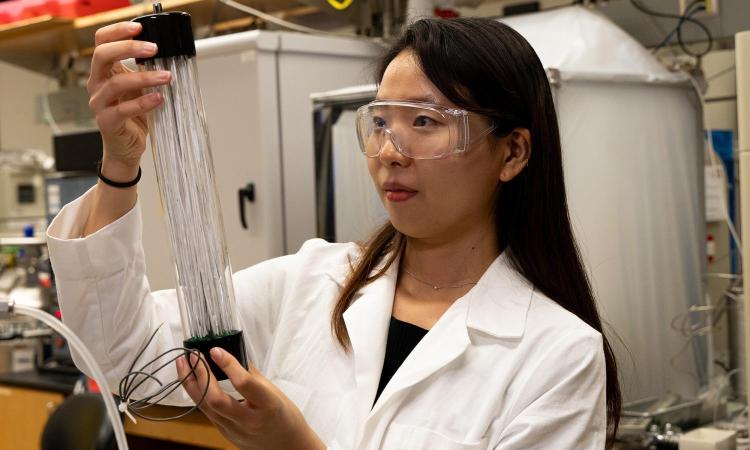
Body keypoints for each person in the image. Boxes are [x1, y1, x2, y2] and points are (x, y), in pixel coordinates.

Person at [47, 16, 621, 449]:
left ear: (513, 151)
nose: (389, 153)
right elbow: (120, 355)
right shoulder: (312, 283)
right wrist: (120, 166)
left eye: (425, 122)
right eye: (380, 123)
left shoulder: (558, 356)